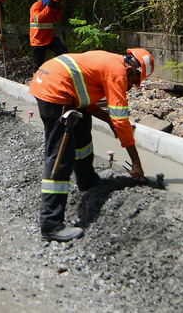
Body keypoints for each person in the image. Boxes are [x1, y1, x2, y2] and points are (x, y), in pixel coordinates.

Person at [28, 48, 154, 242]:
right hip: (55, 91)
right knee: (61, 156)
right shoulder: (118, 72)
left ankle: (87, 181)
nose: (130, 87)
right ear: (131, 69)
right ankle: (50, 223)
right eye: (133, 82)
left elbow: (86, 101)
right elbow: (121, 120)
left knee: (82, 130)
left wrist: (108, 120)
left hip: (56, 81)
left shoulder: (111, 61)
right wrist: (136, 163)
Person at [29, 0, 68, 72]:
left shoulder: (51, 8)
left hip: (49, 38)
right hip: (38, 41)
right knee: (38, 68)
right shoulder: (36, 6)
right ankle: (36, 82)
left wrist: (58, 9)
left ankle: (56, 70)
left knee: (63, 50)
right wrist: (47, 8)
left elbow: (57, 19)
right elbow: (37, 19)